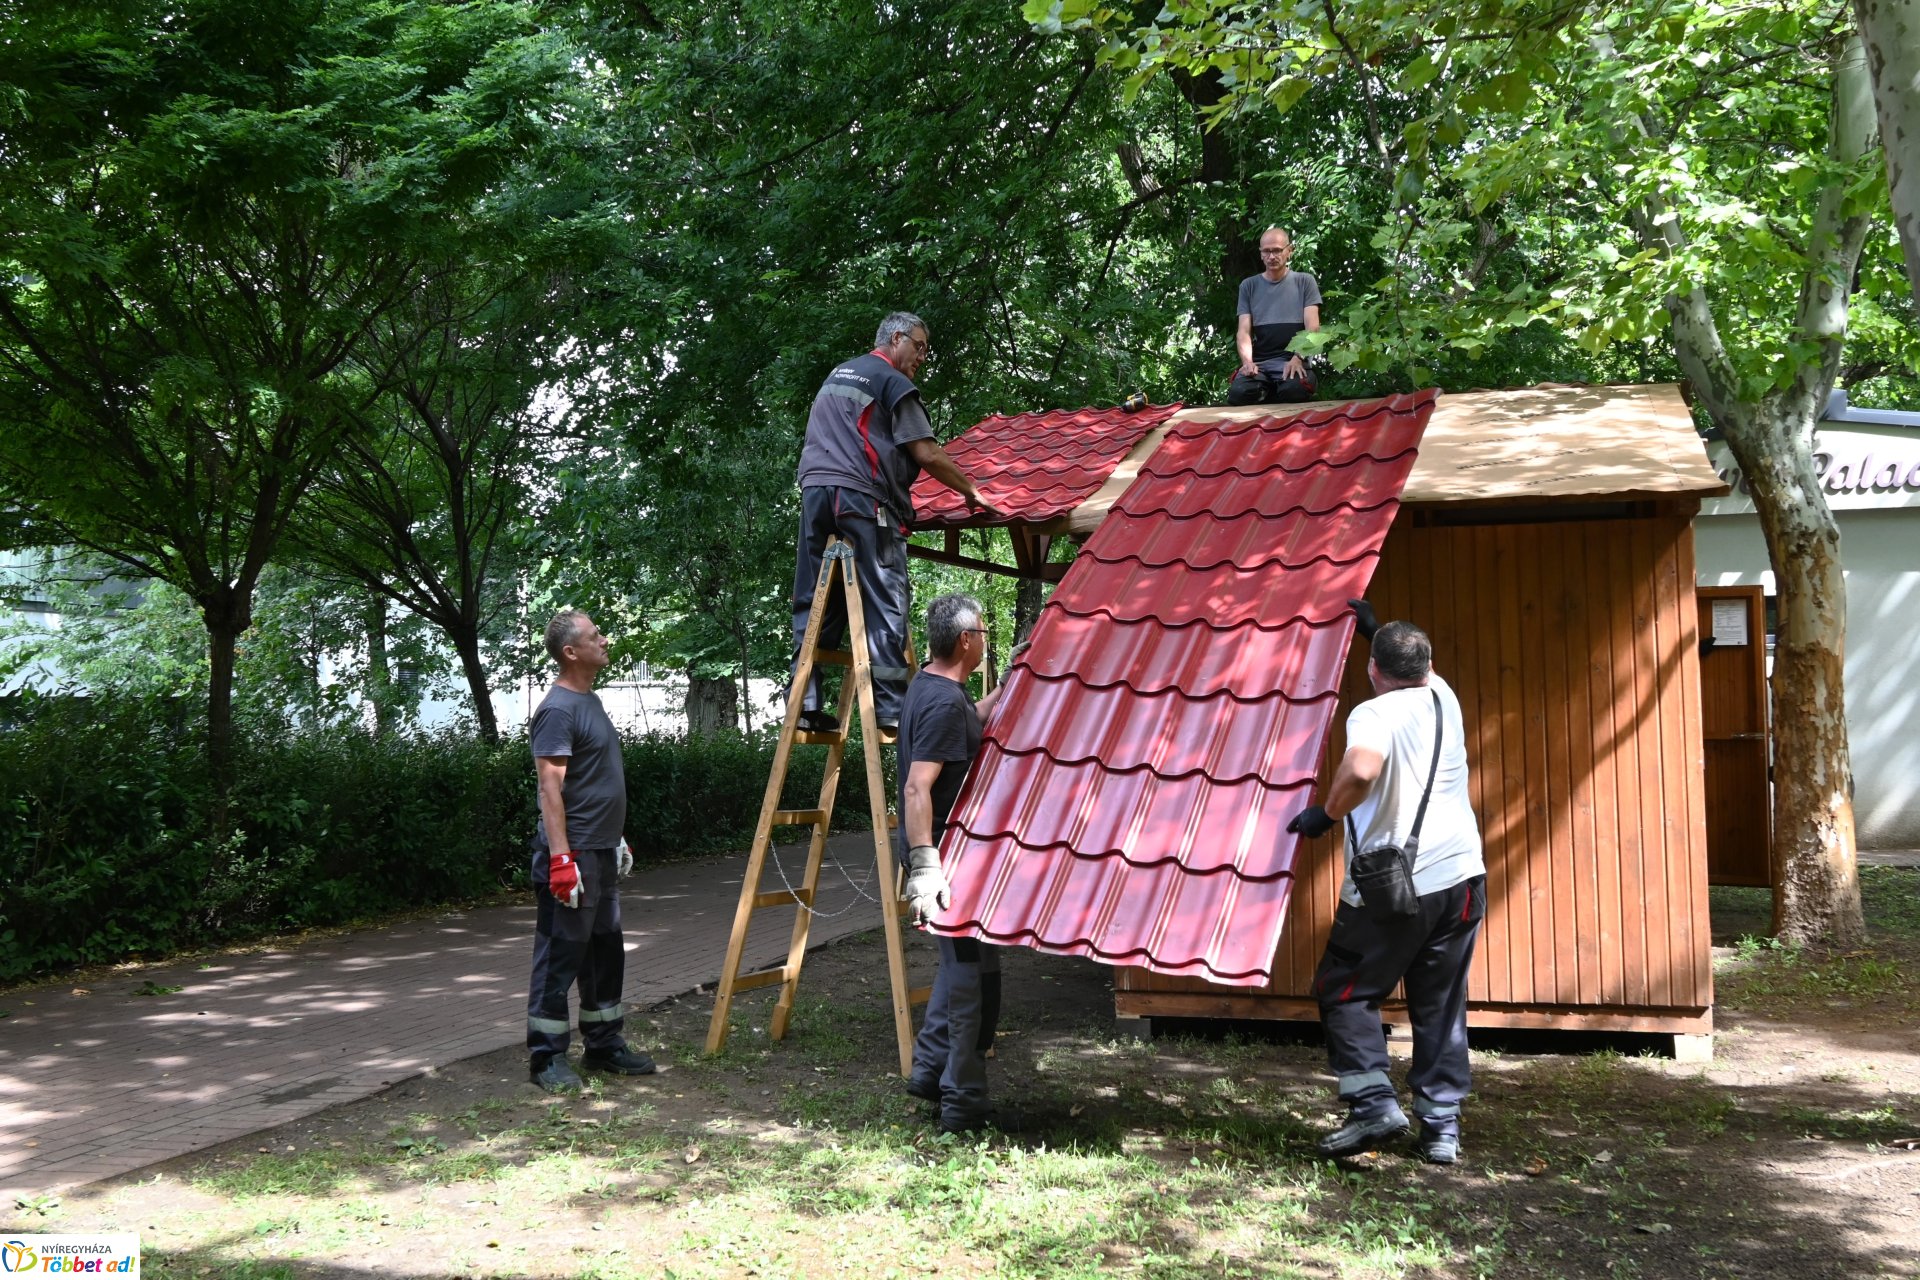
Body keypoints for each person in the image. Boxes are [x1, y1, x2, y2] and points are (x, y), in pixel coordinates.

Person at [1285, 602, 1487, 1164]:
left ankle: (1372, 1103)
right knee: (1440, 1002)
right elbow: (1408, 660)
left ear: (1373, 670)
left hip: (1395, 887)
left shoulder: (1372, 715)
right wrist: (1378, 631)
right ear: (1426, 664)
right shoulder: (1442, 697)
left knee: (1344, 990)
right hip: (1463, 879)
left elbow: (1363, 769)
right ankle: (1441, 1126)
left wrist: (1325, 815)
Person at [789, 311, 1001, 734]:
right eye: (919, 346)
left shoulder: (838, 375)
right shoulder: (892, 382)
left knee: (816, 599)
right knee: (885, 598)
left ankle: (805, 705)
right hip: (863, 499)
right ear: (896, 338)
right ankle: (891, 707)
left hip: (816, 493)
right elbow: (926, 453)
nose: (922, 356)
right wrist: (971, 490)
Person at [525, 609, 657, 1093]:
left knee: (604, 952)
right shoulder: (558, 709)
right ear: (570, 652)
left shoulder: (590, 701)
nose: (604, 640)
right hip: (573, 858)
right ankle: (545, 1059)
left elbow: (594, 779)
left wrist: (615, 836)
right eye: (594, 635)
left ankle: (603, 1044)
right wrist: (561, 859)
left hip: (599, 850)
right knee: (560, 955)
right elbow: (550, 791)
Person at [897, 592, 1009, 1133]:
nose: (986, 639)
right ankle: (961, 1099)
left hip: (950, 854)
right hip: (945, 859)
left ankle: (928, 1072)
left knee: (959, 965)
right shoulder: (942, 702)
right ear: (966, 640)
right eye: (984, 632)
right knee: (972, 977)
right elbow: (919, 787)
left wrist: (1006, 690)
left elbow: (966, 724)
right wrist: (925, 865)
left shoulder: (936, 687)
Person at [1228, 227, 1323, 406]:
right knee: (1239, 394)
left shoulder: (1305, 281)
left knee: (1294, 391)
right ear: (1261, 254)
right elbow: (1243, 332)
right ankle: (1266, 388)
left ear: (1289, 251)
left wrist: (1298, 358)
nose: (1272, 256)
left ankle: (1278, 389)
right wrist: (1247, 362)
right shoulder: (1248, 286)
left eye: (1277, 250)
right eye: (1267, 251)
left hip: (1293, 361)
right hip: (1261, 365)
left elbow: (1313, 328)